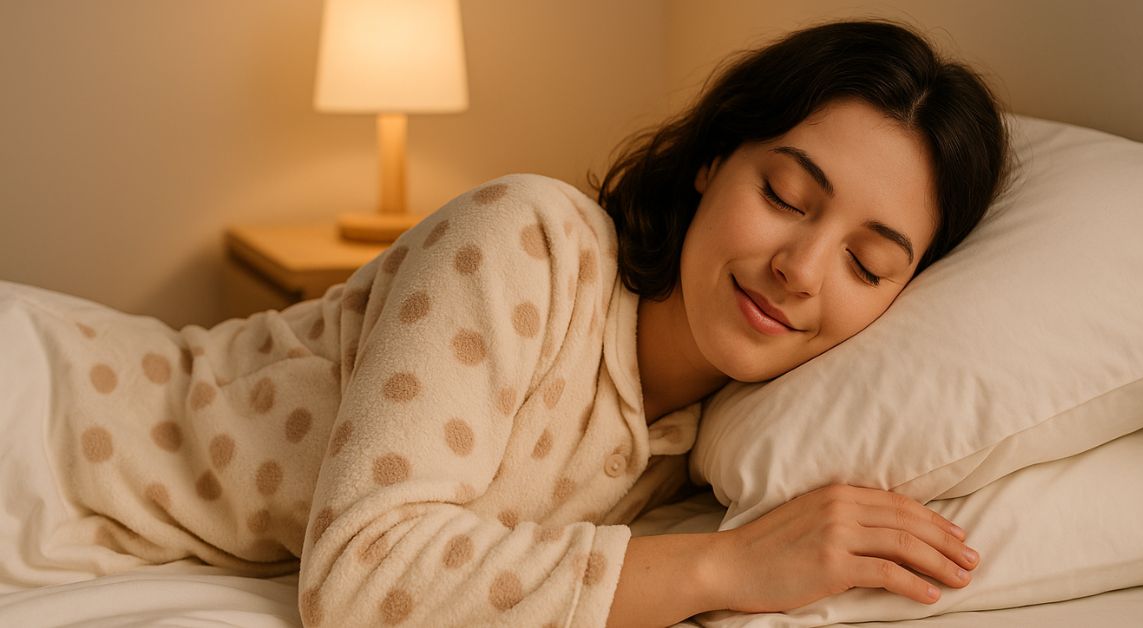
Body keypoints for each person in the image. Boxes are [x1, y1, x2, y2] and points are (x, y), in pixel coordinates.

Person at [0, 18, 1010, 628]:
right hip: (43, 422)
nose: (800, 268)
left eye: (868, 263)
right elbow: (362, 578)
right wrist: (729, 567)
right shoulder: (527, 239)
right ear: (712, 160)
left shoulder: (717, 438)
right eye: (787, 193)